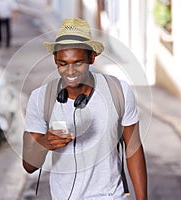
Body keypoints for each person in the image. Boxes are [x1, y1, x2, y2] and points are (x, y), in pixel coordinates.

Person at [22, 18, 147, 200]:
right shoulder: (40, 98)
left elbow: (133, 148)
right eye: (63, 63)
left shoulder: (118, 91)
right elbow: (28, 165)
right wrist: (45, 143)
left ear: (91, 58)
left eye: (78, 62)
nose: (70, 71)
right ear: (56, 61)